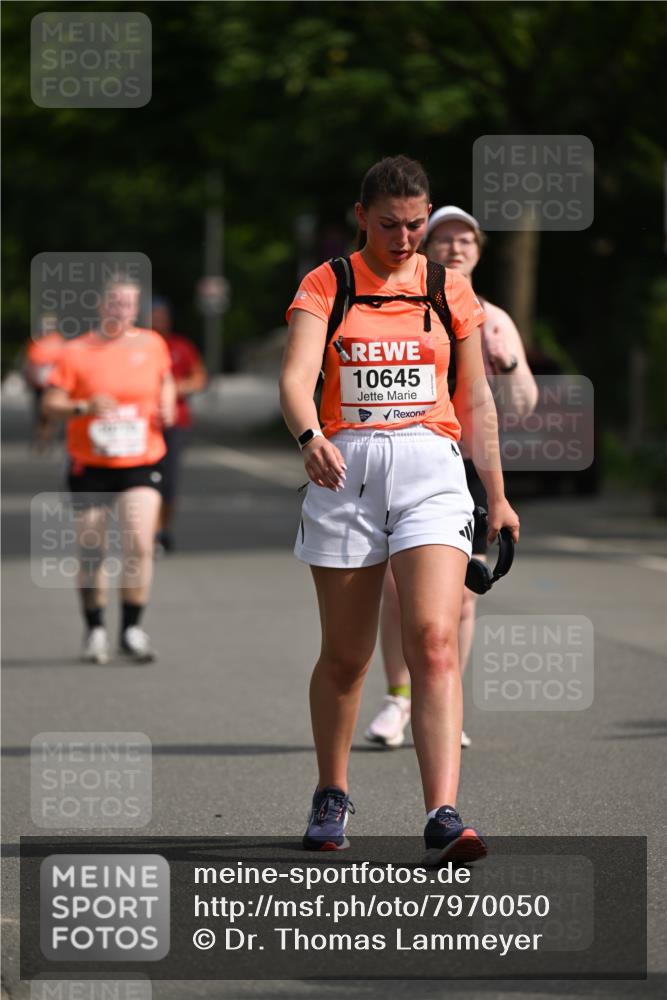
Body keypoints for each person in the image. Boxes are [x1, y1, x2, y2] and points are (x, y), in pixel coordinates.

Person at [279, 157, 520, 861]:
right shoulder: (329, 283)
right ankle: (331, 791)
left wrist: (497, 496)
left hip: (430, 470)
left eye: (417, 223)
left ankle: (443, 814)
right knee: (348, 657)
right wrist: (308, 437)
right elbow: (295, 379)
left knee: (433, 641)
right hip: (344, 469)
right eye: (389, 224)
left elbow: (474, 400)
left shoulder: (448, 291)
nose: (406, 237)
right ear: (361, 217)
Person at [366, 206, 538, 750]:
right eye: (443, 240)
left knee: (463, 597)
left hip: (465, 466)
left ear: (479, 252)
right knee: (396, 589)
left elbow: (526, 406)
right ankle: (399, 698)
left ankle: (443, 701)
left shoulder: (493, 316)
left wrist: (506, 362)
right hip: (403, 454)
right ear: (424, 246)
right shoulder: (401, 303)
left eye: (466, 241)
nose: (455, 249)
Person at [42, 276, 176, 664]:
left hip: (142, 458)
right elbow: (52, 403)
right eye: (114, 303)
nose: (121, 310)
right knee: (91, 550)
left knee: (138, 543)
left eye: (128, 304)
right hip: (91, 464)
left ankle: (131, 629)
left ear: (137, 309)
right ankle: (95, 627)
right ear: (101, 306)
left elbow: (164, 380)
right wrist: (83, 408)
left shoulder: (152, 344)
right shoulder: (76, 351)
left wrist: (166, 405)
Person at [151, 297, 207, 551]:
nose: (159, 320)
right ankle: (147, 532)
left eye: (163, 315)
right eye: (154, 315)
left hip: (175, 423)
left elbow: (199, 378)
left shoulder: (181, 346)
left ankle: (163, 529)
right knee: (145, 481)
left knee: (169, 481)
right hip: (143, 425)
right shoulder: (137, 347)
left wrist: (175, 389)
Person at [23, 313, 65, 452]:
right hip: (38, 384)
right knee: (39, 412)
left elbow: (64, 362)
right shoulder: (35, 340)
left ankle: (46, 439)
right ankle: (40, 438)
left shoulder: (58, 341)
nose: (47, 327)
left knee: (51, 412)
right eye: (45, 323)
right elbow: (29, 361)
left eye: (50, 324)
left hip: (53, 383)